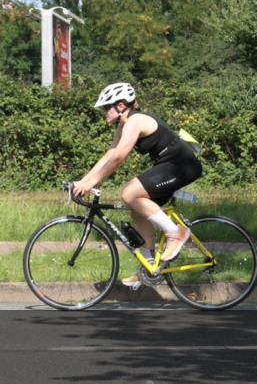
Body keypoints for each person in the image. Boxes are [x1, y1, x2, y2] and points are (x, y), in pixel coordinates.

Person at [72, 82, 202, 288]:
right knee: (137, 211)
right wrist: (83, 181)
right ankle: (149, 267)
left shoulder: (135, 121)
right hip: (169, 166)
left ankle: (176, 233)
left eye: (106, 107)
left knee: (129, 193)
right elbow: (110, 154)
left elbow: (118, 158)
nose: (104, 112)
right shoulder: (123, 125)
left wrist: (91, 183)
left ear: (121, 105)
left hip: (182, 166)